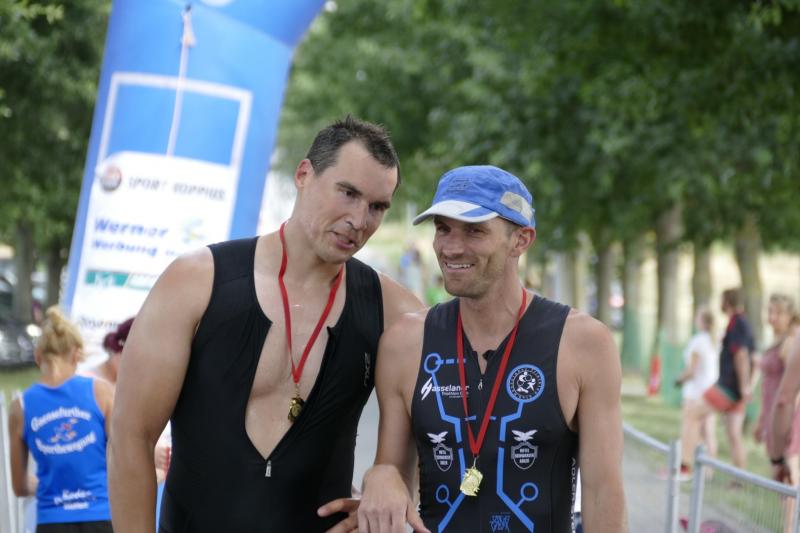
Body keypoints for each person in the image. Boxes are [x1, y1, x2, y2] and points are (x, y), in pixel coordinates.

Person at [108, 116, 423, 532]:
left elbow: (451, 433)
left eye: (377, 207)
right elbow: (131, 436)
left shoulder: (396, 312)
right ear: (304, 175)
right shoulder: (195, 282)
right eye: (348, 193)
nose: (359, 219)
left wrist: (390, 484)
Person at [326, 166, 627, 532]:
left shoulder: (583, 343)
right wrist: (379, 477)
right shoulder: (404, 343)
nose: (452, 247)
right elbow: (395, 476)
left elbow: (602, 491)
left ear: (521, 240)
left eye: (474, 231)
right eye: (443, 229)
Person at [7, 307, 114, 532]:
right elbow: (120, 460)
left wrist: (50, 486)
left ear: (38, 357)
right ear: (76, 355)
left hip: (52, 522)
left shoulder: (20, 407)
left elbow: (19, 486)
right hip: (100, 517)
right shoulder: (101, 392)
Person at [682, 288, 755, 471]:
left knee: (691, 413)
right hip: (735, 390)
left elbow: (742, 356)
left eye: (722, 300)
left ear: (727, 302)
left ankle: (684, 465)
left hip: (728, 387)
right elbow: (754, 359)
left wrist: (744, 386)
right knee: (734, 435)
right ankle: (739, 481)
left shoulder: (737, 324)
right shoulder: (742, 324)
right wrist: (746, 387)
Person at [754, 295, 799, 481]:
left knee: (787, 474)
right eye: (770, 311)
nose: (772, 317)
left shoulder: (791, 342)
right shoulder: (777, 340)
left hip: (785, 416)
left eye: (778, 313)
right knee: (778, 474)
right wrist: (762, 419)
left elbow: (792, 390)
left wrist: (789, 425)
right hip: (771, 412)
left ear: (790, 315)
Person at [675, 307, 718, 476]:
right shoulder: (713, 341)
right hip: (710, 391)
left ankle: (686, 464)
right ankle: (709, 470)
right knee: (708, 432)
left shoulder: (698, 341)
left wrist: (678, 380)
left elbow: (691, 370)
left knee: (690, 429)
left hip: (695, 393)